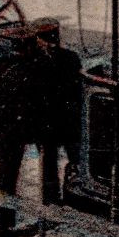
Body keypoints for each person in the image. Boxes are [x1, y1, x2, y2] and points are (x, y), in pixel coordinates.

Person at [0, 24, 48, 237]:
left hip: (0, 132)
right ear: (27, 47)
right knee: (8, 177)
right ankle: (3, 224)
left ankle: (2, 222)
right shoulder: (30, 69)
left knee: (4, 178)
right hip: (16, 132)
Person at [31, 20, 82, 206]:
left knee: (49, 163)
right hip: (67, 120)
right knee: (73, 158)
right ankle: (74, 194)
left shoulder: (35, 62)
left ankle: (51, 200)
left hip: (48, 122)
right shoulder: (71, 57)